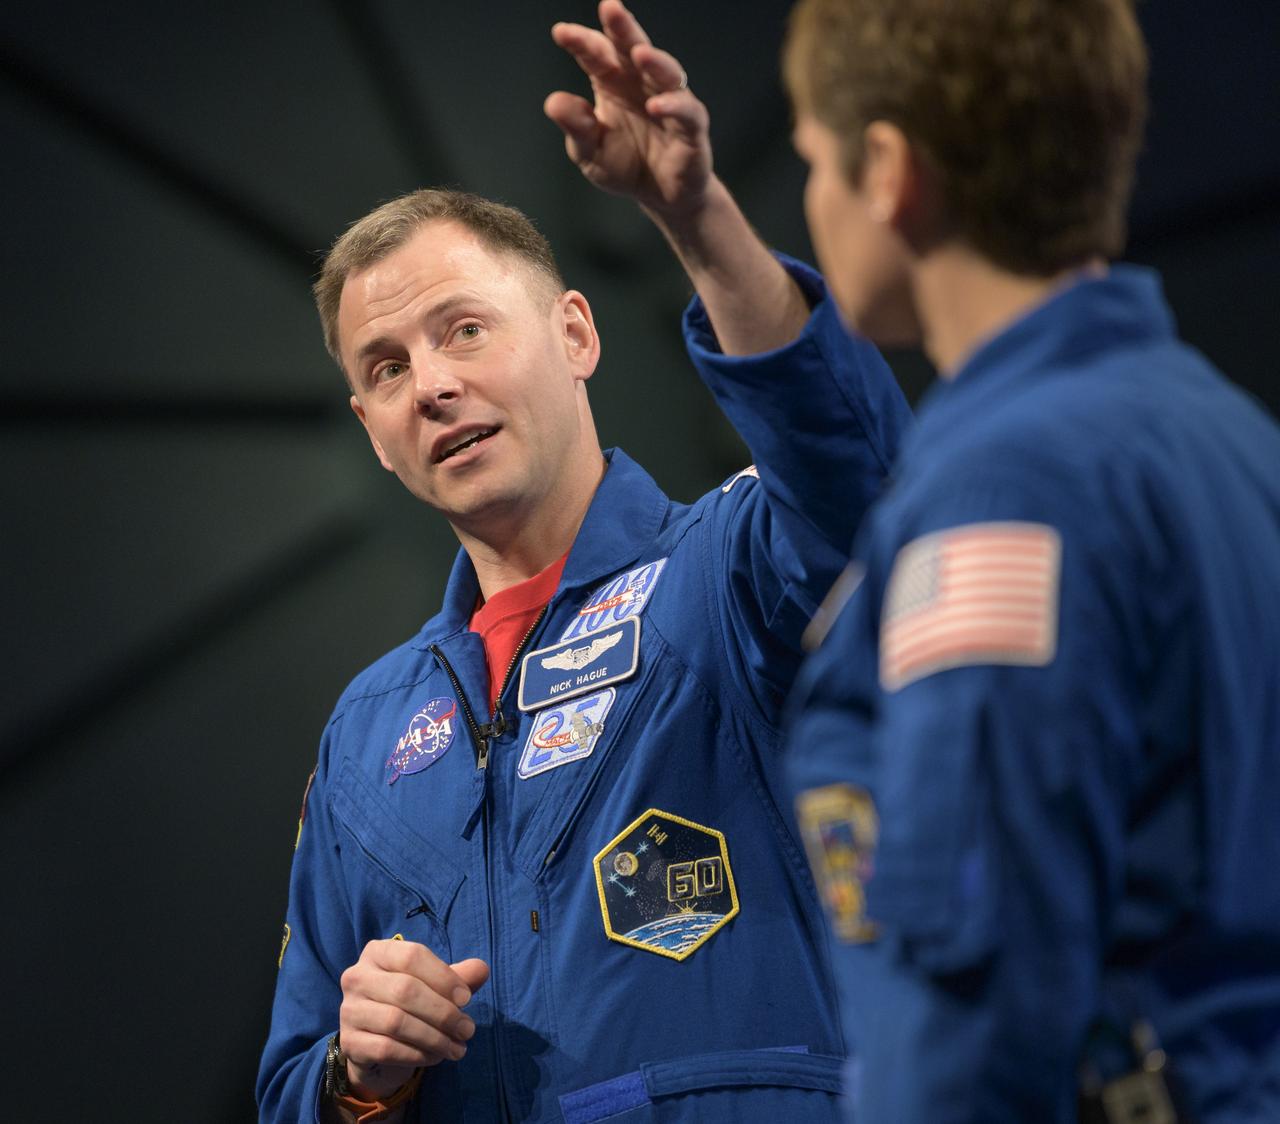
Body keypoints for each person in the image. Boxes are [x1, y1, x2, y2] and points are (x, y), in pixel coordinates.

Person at [257, 2, 911, 1120]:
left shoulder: (729, 569)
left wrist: (692, 213)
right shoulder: (364, 737)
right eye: (385, 366)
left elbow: (855, 474)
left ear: (574, 334)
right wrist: (354, 1076)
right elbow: (288, 1086)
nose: (432, 384)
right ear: (371, 425)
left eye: (464, 328)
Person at [781, 0, 1280, 1121]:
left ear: (885, 170)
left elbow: (980, 980)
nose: (807, 200)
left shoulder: (1002, 496)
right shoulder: (1227, 436)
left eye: (811, 159)